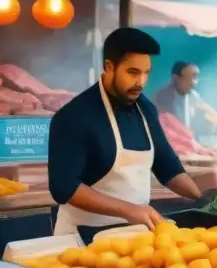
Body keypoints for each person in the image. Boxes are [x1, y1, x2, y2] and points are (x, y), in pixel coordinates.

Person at [49, 28, 204, 235]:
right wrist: (129, 210)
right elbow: (64, 187)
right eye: (133, 72)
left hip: (133, 240)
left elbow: (167, 167)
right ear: (109, 67)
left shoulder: (146, 109)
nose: (140, 82)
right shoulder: (74, 116)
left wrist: (203, 198)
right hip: (80, 239)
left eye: (146, 73)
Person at [153, 61, 217, 135]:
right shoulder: (162, 96)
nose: (194, 82)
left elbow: (208, 110)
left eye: (196, 77)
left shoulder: (193, 96)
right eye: (192, 77)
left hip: (188, 140)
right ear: (176, 78)